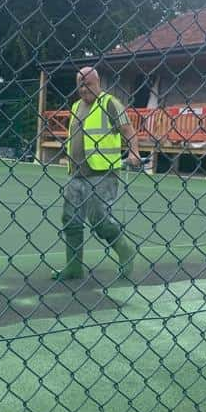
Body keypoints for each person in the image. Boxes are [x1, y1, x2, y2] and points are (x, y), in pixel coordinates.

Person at [51, 66, 142, 284]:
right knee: (70, 219)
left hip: (102, 172)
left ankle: (125, 250)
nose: (83, 89)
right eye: (80, 85)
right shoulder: (75, 106)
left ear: (98, 82)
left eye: (88, 84)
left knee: (99, 219)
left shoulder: (110, 103)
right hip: (76, 173)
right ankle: (73, 267)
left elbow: (128, 130)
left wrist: (134, 151)